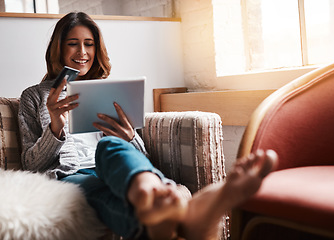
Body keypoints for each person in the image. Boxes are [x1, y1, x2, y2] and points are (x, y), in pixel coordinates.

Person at [18, 11, 278, 240]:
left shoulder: (109, 90)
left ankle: (147, 190)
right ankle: (177, 218)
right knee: (100, 198)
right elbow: (31, 165)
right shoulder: (34, 96)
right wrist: (55, 127)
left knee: (109, 145)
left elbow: (140, 156)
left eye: (89, 44)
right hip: (71, 176)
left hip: (116, 168)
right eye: (73, 44)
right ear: (58, 48)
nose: (82, 53)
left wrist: (131, 136)